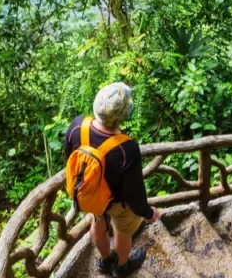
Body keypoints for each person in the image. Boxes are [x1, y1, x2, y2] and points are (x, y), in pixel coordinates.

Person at [64, 83, 160, 277]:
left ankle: (106, 261)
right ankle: (122, 267)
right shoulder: (127, 149)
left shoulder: (77, 126)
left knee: (98, 221)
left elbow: (69, 159)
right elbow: (134, 193)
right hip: (117, 202)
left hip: (90, 194)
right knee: (122, 231)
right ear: (125, 114)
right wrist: (148, 212)